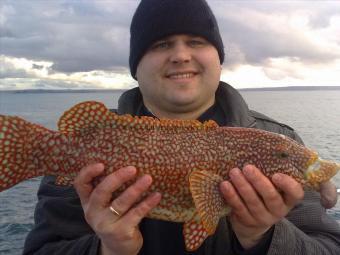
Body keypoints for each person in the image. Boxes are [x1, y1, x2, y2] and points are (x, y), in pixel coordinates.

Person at [23, 0, 340, 254]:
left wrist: (265, 237)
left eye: (196, 41)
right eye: (160, 44)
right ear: (136, 66)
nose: (180, 55)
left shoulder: (281, 140)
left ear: (219, 58)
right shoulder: (82, 143)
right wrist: (109, 249)